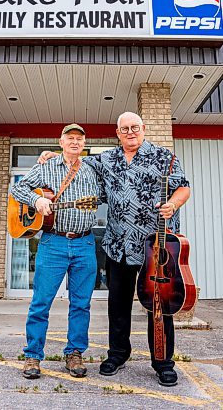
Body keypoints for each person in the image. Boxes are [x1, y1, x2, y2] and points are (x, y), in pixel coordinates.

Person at [38, 112, 190, 387]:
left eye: (134, 127)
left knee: (159, 307)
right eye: (124, 129)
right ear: (117, 133)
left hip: (154, 245)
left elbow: (184, 188)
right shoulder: (107, 159)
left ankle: (163, 362)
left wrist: (174, 204)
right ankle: (118, 355)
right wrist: (50, 154)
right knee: (117, 305)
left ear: (143, 128)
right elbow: (76, 160)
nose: (130, 132)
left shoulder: (163, 156)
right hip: (118, 244)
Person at [10, 124, 103, 380]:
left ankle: (74, 354)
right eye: (70, 138)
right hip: (53, 243)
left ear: (84, 144)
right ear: (60, 142)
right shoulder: (46, 166)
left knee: (81, 305)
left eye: (79, 139)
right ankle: (33, 355)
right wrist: (37, 200)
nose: (75, 142)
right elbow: (17, 189)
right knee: (41, 302)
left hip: (85, 244)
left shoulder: (93, 169)